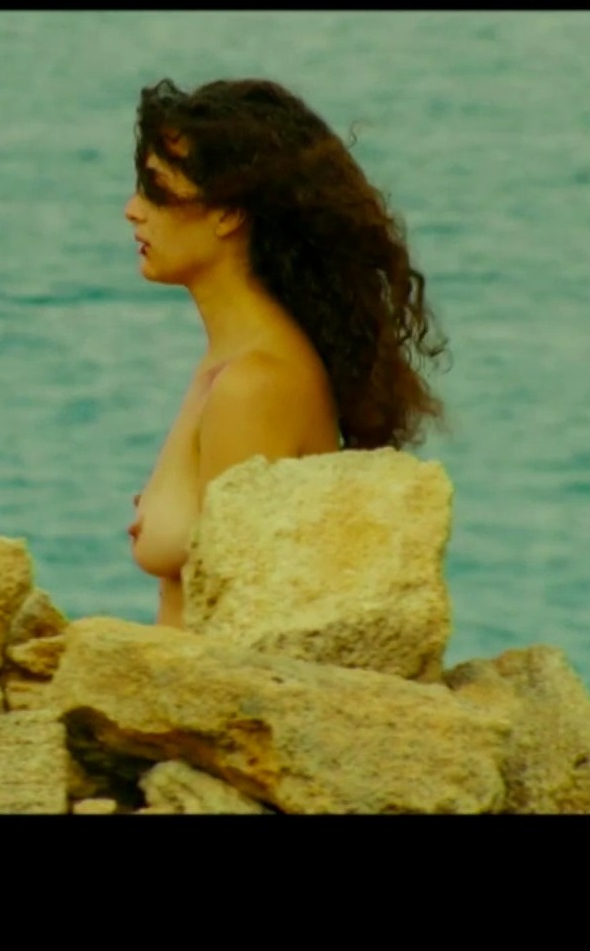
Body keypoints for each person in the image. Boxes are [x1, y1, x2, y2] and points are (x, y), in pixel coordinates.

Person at [123, 78, 448, 628]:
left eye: (156, 189)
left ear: (229, 214)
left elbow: (235, 627)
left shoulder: (255, 385)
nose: (133, 210)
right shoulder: (232, 364)